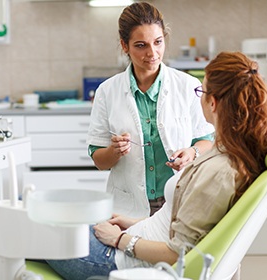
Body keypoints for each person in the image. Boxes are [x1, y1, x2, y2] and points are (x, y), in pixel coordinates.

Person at [45, 51, 267, 280]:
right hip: (133, 235)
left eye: (202, 91)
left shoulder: (219, 172)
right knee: (48, 213)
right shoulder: (229, 154)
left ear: (213, 102)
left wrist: (118, 239)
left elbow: (177, 254)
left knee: (28, 225)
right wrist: (133, 224)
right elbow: (180, 225)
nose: (199, 97)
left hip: (120, 258)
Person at [87, 2, 214, 218]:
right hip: (128, 205)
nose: (152, 53)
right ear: (124, 46)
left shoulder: (187, 85)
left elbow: (207, 141)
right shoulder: (107, 91)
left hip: (178, 200)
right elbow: (99, 160)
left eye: (158, 42)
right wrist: (113, 152)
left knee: (174, 252)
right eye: (141, 45)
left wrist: (192, 152)